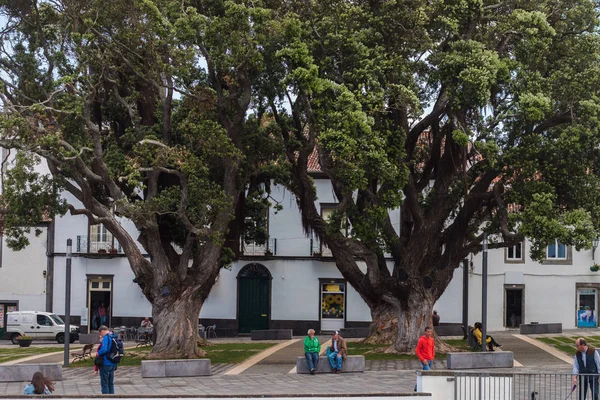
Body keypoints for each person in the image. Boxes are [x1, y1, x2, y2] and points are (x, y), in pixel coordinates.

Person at [97, 325, 117, 394]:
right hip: (113, 362)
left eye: (100, 333)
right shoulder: (114, 336)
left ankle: (105, 397)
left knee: (104, 383)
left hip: (105, 362)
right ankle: (112, 397)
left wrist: (98, 353)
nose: (100, 335)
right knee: (110, 383)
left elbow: (104, 349)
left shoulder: (106, 337)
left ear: (102, 331)